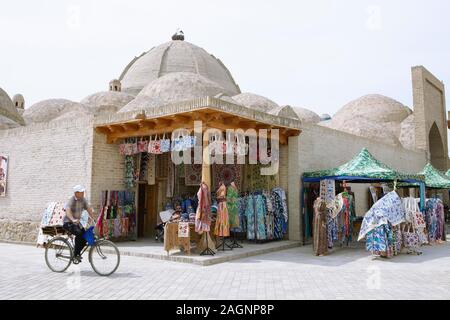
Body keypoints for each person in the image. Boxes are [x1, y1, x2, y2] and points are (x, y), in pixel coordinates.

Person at [63, 185, 95, 263]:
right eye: (81, 192)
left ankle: (76, 252)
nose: (83, 193)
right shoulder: (71, 200)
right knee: (79, 233)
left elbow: (89, 209)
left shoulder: (83, 200)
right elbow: (68, 211)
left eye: (83, 191)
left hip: (77, 223)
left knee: (85, 237)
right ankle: (76, 254)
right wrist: (73, 219)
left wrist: (93, 219)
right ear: (76, 193)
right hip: (68, 223)